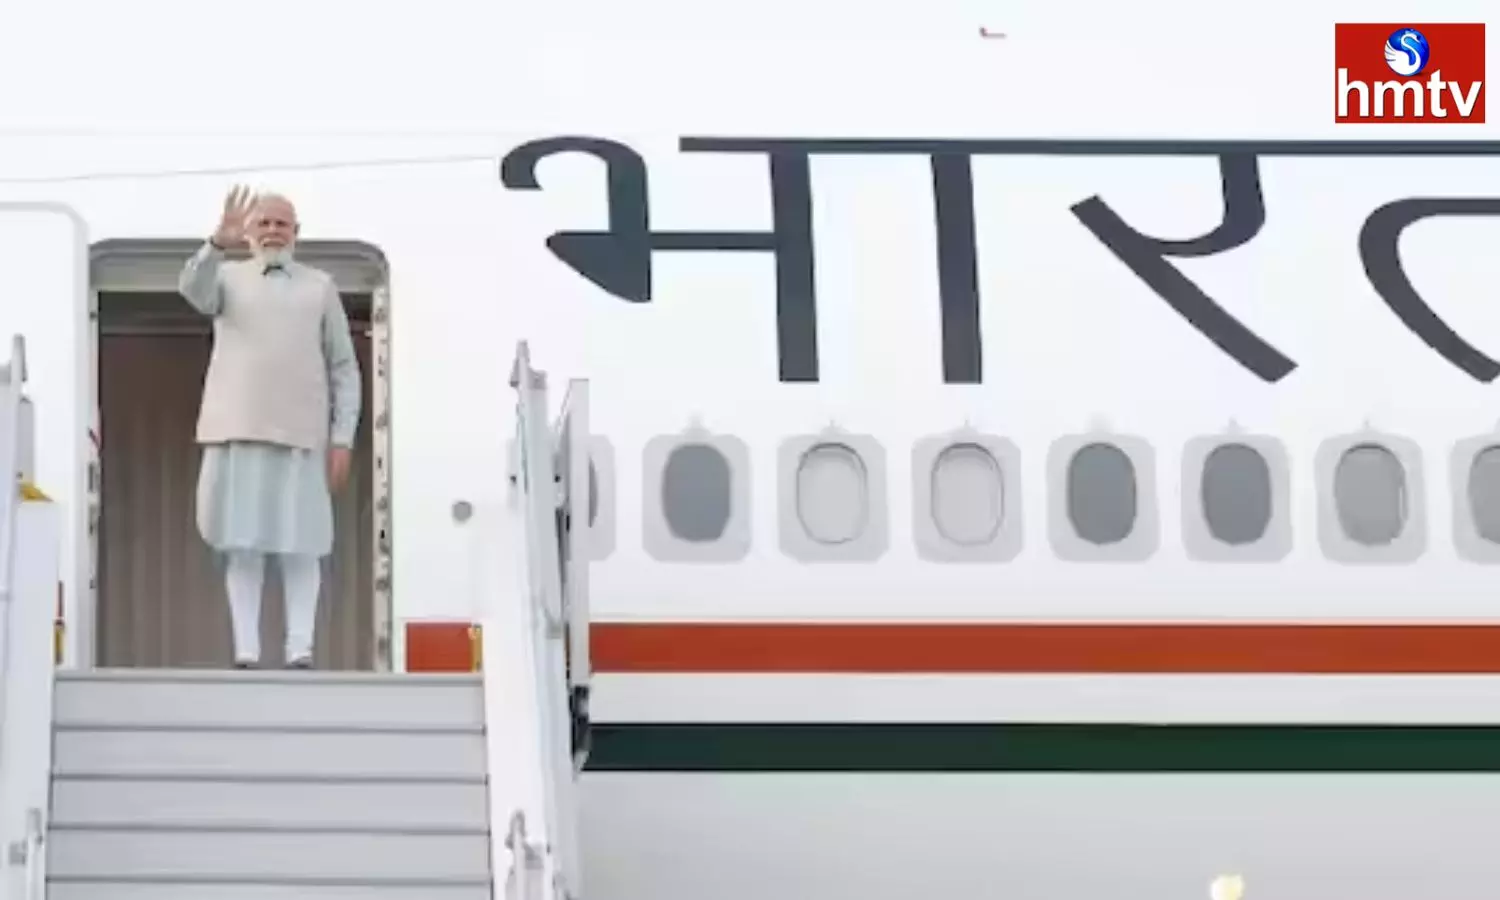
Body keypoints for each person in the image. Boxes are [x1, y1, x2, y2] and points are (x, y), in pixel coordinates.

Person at [177, 186, 362, 669]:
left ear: (297, 232)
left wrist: (342, 438)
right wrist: (215, 244)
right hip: (237, 428)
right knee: (242, 543)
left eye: (282, 224)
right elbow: (192, 291)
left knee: (304, 544)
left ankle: (300, 648)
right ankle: (247, 650)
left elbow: (344, 367)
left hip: (302, 434)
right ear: (248, 232)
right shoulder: (225, 277)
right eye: (264, 223)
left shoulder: (320, 286)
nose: (273, 231)